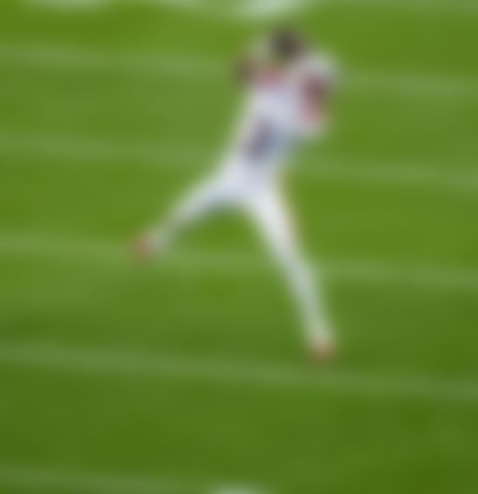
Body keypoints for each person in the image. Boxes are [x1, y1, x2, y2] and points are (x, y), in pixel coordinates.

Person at [135, 26, 339, 363]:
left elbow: (307, 101)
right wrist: (267, 50)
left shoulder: (291, 96)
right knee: (185, 210)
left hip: (264, 188)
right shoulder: (284, 88)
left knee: (290, 257)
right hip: (231, 178)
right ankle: (156, 242)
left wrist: (277, 62)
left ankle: (320, 333)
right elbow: (244, 70)